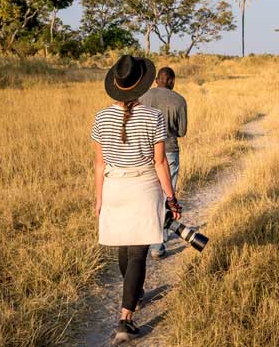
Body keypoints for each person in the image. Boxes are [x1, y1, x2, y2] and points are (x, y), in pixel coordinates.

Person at [91, 55, 182, 343]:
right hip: (143, 187)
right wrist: (171, 197)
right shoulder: (152, 117)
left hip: (114, 187)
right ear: (141, 85)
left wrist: (98, 198)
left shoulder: (101, 117)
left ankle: (135, 295)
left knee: (123, 246)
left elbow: (98, 164)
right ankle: (125, 319)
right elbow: (159, 163)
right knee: (137, 254)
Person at [139, 67, 187, 258]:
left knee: (149, 197)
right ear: (172, 81)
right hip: (169, 151)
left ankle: (148, 237)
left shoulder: (142, 97)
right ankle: (158, 244)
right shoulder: (178, 100)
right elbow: (182, 131)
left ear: (156, 80)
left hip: (145, 152)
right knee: (167, 197)